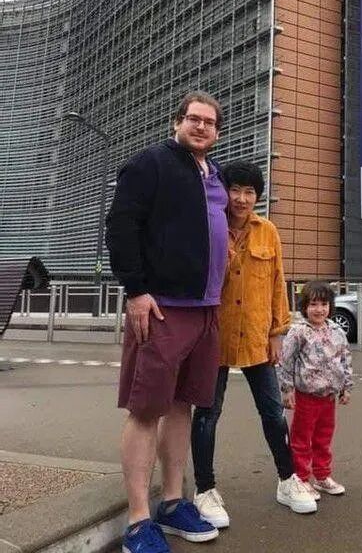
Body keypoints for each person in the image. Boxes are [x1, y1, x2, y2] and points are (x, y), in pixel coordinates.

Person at [106, 91, 228, 553]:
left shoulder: (214, 174)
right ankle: (139, 521)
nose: (201, 127)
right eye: (193, 119)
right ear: (177, 122)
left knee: (182, 406)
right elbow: (121, 226)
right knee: (146, 410)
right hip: (162, 307)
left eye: (209, 122)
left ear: (217, 132)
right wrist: (136, 290)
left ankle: (173, 502)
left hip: (206, 309)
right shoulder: (151, 163)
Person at [191, 160, 317, 528]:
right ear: (224, 192)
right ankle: (204, 489)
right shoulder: (209, 227)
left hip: (258, 336)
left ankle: (287, 480)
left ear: (257, 197)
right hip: (215, 335)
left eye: (250, 192)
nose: (242, 199)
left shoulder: (268, 231)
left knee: (273, 412)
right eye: (235, 190)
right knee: (207, 414)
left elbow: (278, 283)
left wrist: (278, 332)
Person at [279, 281, 353, 497]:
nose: (319, 309)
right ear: (304, 307)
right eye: (313, 304)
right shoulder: (298, 332)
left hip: (329, 396)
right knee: (301, 438)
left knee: (323, 437)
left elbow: (345, 358)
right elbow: (286, 361)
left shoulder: (337, 331)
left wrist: (346, 386)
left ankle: (322, 475)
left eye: (324, 304)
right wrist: (287, 389)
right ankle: (301, 478)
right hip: (306, 396)